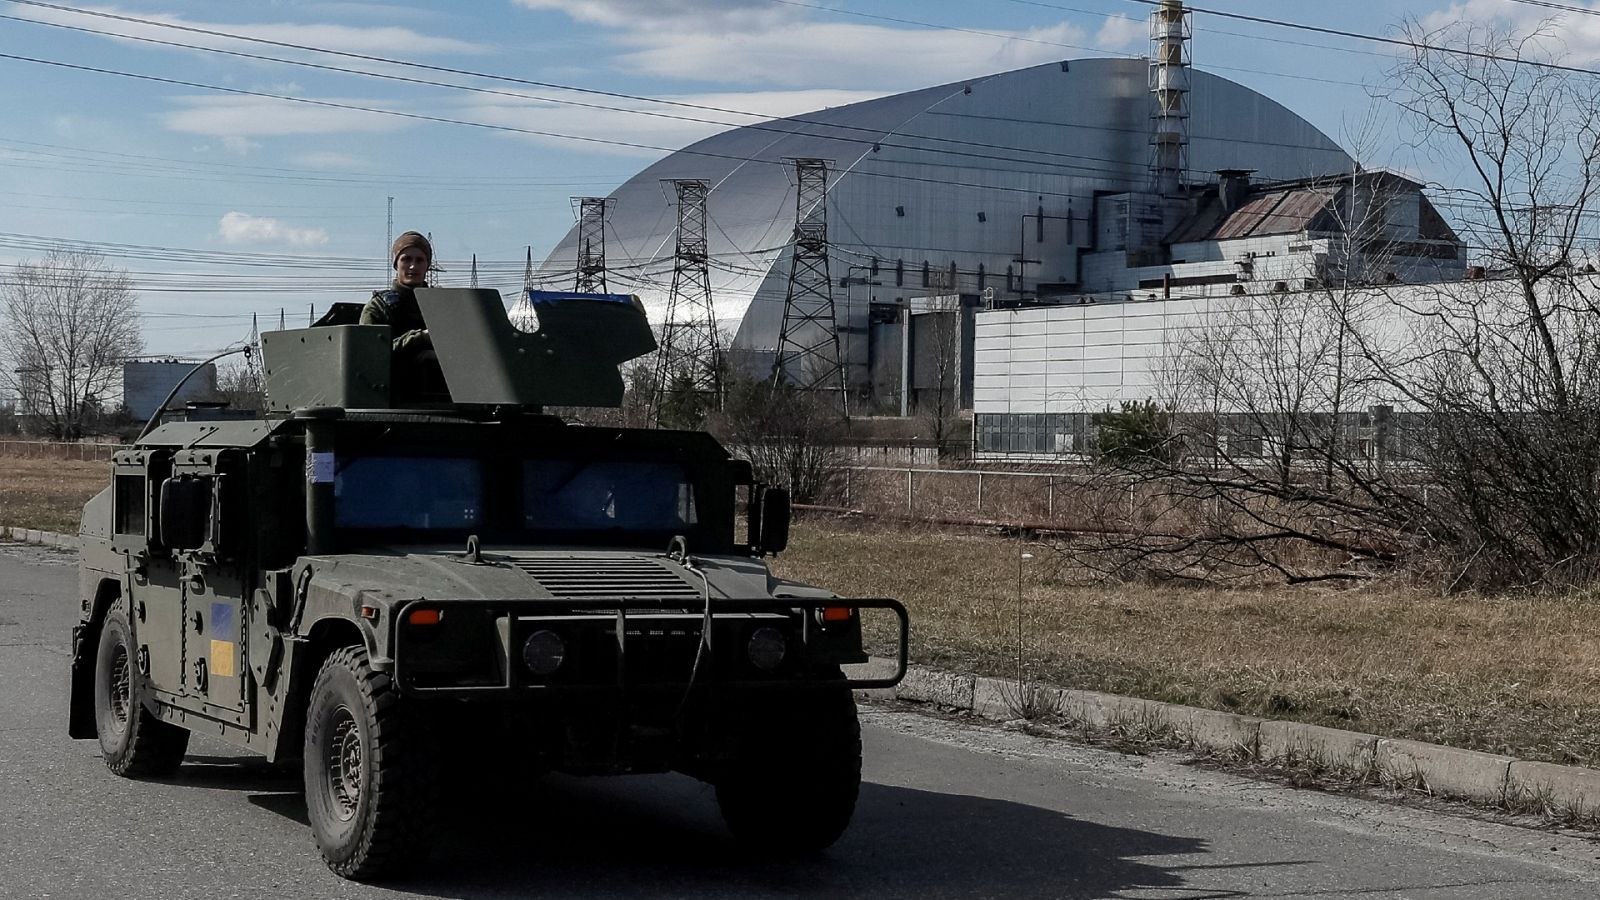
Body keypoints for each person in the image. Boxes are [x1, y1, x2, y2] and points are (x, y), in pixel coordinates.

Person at [361, 230, 434, 357]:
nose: (413, 266)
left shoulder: (439, 304)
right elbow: (370, 353)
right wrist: (420, 337)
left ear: (427, 265)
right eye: (406, 259)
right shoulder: (378, 307)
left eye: (420, 260)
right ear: (396, 264)